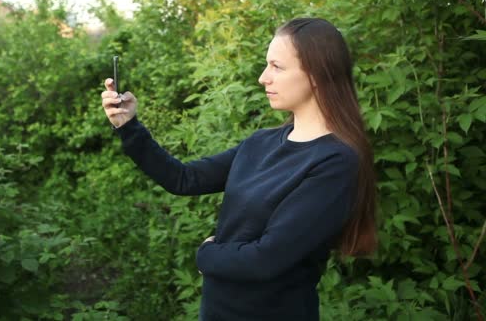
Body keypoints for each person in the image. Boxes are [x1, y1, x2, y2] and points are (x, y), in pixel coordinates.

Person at [100, 17, 377, 320]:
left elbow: (267, 258)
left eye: (277, 67)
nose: (263, 77)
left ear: (316, 75)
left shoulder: (335, 162)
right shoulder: (262, 142)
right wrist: (128, 127)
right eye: (266, 65)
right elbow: (184, 178)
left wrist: (206, 255)